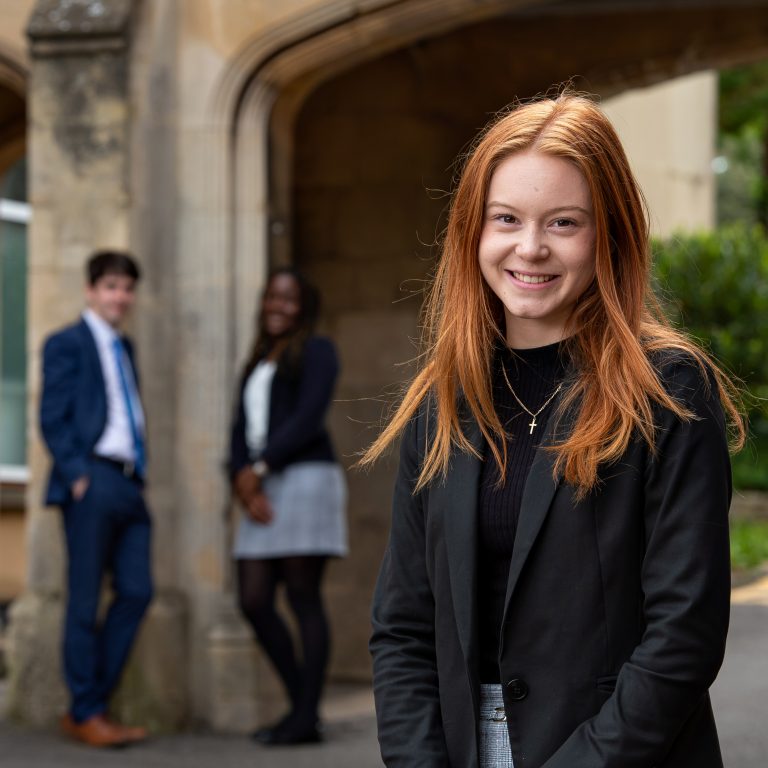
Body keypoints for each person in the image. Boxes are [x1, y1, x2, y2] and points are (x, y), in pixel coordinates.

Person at [363, 92, 745, 768]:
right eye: (506, 218)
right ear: (472, 232)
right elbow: (403, 626)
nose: (530, 248)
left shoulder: (668, 389)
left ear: (609, 233)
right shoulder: (444, 402)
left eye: (564, 223)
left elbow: (684, 632)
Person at [228, 266, 348, 746]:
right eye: (271, 297)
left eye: (288, 299)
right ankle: (304, 707)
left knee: (302, 597)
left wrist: (257, 471)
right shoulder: (257, 359)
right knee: (253, 599)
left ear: (303, 307)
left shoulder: (318, 351)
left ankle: (303, 716)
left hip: (303, 478)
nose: (277, 306)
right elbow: (238, 427)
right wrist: (242, 482)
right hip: (260, 484)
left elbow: (307, 418)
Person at [40, 250, 153, 748]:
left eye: (127, 287)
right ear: (90, 290)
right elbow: (52, 415)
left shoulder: (126, 347)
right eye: (111, 286)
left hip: (129, 483)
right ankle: (88, 710)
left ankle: (88, 705)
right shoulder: (66, 342)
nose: (120, 296)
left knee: (137, 591)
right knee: (84, 601)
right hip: (92, 480)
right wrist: (77, 473)